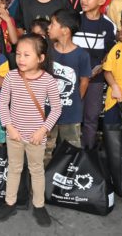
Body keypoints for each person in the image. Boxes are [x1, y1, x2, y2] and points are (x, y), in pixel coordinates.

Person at [0, 33, 61, 227]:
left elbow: (56, 108)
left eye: (26, 55)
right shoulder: (11, 77)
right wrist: (9, 126)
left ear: (41, 58)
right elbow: (2, 103)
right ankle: (10, 203)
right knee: (14, 169)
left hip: (36, 136)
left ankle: (39, 205)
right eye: (18, 54)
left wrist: (43, 130)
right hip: (14, 133)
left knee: (36, 170)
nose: (20, 59)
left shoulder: (48, 80)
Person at [73, 0, 117, 149]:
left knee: (91, 118)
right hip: (73, 79)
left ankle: (87, 154)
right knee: (72, 118)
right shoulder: (74, 20)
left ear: (101, 1)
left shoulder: (108, 25)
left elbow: (110, 53)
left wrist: (100, 67)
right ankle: (70, 153)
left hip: (96, 80)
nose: (83, 0)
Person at [46, 9, 91, 152]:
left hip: (71, 113)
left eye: (52, 24)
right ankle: (44, 174)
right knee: (45, 149)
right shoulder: (47, 52)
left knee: (71, 149)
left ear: (65, 30)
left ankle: (69, 174)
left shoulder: (82, 55)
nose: (48, 27)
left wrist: (75, 101)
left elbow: (84, 81)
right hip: (47, 111)